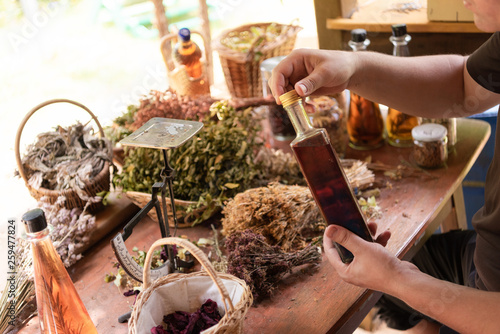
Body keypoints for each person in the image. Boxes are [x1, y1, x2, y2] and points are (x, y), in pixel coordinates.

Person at [269, 0, 500, 333]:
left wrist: (398, 279)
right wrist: (353, 68)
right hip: (485, 263)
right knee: (397, 276)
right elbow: (464, 88)